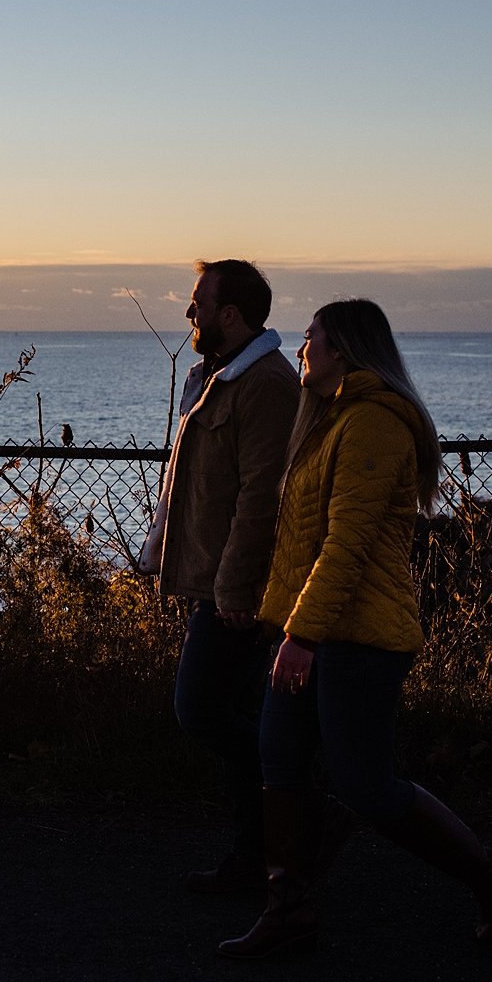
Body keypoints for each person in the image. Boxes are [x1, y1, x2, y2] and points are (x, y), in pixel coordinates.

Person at [219, 298, 492, 958]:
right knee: (277, 758)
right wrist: (287, 623)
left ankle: (489, 872)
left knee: (364, 784)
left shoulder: (372, 424)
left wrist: (301, 635)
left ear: (343, 349)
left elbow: (346, 544)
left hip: (359, 638)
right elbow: (304, 539)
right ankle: (288, 909)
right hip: (311, 628)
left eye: (312, 338)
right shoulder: (331, 418)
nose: (302, 348)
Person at [140, 258, 303, 892]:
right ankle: (263, 851)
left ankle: (293, 818)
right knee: (232, 708)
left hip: (234, 587)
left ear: (229, 314)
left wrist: (235, 588)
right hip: (211, 576)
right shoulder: (216, 377)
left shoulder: (264, 386)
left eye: (198, 303)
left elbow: (261, 496)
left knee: (199, 708)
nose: (189, 314)